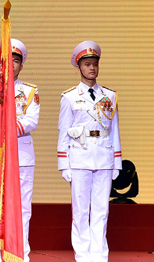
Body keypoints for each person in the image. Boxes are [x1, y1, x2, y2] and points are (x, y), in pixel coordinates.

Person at [57, 41, 122, 262]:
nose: (92, 68)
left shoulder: (110, 96)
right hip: (80, 156)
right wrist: (64, 164)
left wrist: (117, 161)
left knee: (102, 210)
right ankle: (83, 255)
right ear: (79, 67)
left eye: (94, 64)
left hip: (104, 156)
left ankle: (99, 255)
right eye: (87, 64)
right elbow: (63, 131)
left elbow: (114, 130)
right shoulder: (69, 97)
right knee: (81, 211)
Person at [0, 39, 39, 262]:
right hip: (0, 153)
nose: (12, 65)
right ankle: (2, 253)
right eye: (8, 61)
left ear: (21, 65)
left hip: (22, 155)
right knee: (0, 207)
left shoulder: (29, 91)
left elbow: (32, 120)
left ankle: (21, 253)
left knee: (23, 207)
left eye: (16, 61)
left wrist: (4, 128)